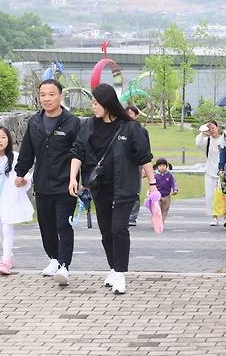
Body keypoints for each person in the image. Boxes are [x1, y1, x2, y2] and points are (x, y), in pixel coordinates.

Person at [69, 83, 156, 294]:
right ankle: (113, 268)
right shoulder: (88, 126)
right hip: (99, 187)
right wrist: (73, 178)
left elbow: (144, 158)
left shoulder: (131, 128)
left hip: (124, 186)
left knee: (119, 229)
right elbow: (77, 152)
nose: (93, 106)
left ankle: (120, 272)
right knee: (106, 232)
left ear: (108, 104)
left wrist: (153, 184)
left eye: (96, 102)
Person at [14, 79, 81, 286]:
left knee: (63, 224)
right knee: (46, 225)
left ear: (60, 96)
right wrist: (20, 172)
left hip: (66, 184)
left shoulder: (72, 122)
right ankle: (53, 258)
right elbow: (27, 150)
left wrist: (78, 180)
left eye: (51, 94)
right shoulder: (35, 121)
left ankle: (64, 266)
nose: (47, 98)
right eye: (43, 94)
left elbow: (79, 152)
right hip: (42, 183)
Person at [0, 126, 34, 275]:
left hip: (10, 199)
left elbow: (25, 174)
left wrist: (23, 181)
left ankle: (5, 260)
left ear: (8, 139)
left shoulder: (16, 157)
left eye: (3, 137)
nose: (0, 140)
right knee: (0, 229)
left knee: (7, 226)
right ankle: (8, 255)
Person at [125, 106, 149, 227]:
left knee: (135, 191)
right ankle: (124, 214)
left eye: (131, 114)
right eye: (127, 113)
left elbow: (146, 152)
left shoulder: (142, 131)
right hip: (123, 164)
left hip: (137, 164)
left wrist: (145, 168)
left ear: (136, 115)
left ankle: (132, 216)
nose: (129, 116)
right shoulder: (120, 129)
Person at [195, 120, 222, 226]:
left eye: (213, 128)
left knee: (224, 195)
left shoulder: (224, 140)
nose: (211, 130)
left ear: (217, 128)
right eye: (209, 128)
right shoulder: (207, 141)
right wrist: (202, 130)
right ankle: (214, 217)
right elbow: (198, 143)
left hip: (223, 172)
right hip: (210, 171)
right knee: (211, 195)